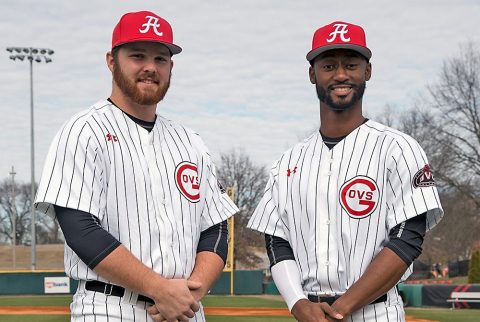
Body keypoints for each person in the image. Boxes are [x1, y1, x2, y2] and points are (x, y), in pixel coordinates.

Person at [35, 10, 238, 322]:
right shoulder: (83, 130)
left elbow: (215, 227)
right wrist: (159, 289)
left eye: (161, 59)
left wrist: (190, 295)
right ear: (111, 61)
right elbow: (80, 230)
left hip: (186, 311)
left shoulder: (191, 142)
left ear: (171, 67)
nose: (150, 67)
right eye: (138, 56)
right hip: (108, 308)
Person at [247, 21, 444, 322]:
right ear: (313, 74)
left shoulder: (398, 148)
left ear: (368, 71)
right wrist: (298, 304)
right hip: (309, 314)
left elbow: (407, 238)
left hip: (376, 312)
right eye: (329, 65)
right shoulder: (287, 163)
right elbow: (277, 240)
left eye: (351, 64)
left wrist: (341, 308)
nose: (340, 74)